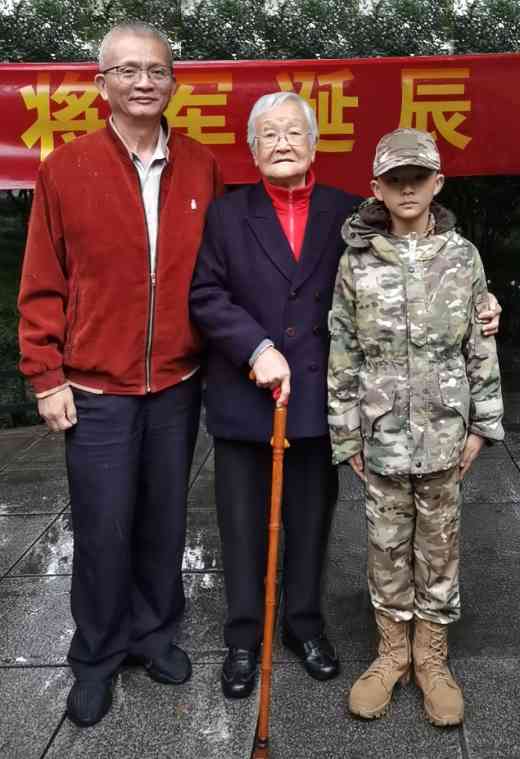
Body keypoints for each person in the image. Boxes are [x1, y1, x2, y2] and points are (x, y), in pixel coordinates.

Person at [18, 22, 223, 727]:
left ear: (174, 83)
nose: (144, 82)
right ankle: (97, 655)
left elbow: (222, 270)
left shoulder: (201, 166)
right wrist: (46, 375)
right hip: (95, 386)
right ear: (100, 82)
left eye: (157, 70)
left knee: (165, 521)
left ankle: (153, 635)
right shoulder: (65, 167)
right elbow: (43, 279)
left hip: (176, 381)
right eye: (128, 70)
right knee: (103, 527)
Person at [327, 128, 504, 726]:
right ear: (376, 187)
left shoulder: (463, 257)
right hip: (381, 433)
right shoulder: (356, 261)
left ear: (438, 183)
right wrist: (345, 432)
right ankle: (391, 654)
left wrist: (483, 424)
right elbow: (344, 349)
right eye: (394, 179)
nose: (407, 189)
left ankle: (431, 658)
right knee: (385, 545)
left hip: (445, 430)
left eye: (418, 177)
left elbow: (479, 343)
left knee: (439, 544)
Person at [190, 92, 363, 699]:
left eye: (293, 132)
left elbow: (402, 264)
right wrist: (256, 347)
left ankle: (304, 625)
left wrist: (479, 299)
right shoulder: (226, 215)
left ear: (314, 143)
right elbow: (206, 295)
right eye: (269, 134)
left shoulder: (350, 213)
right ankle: (243, 636)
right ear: (252, 149)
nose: (282, 142)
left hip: (318, 398)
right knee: (241, 525)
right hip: (245, 396)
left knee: (310, 521)